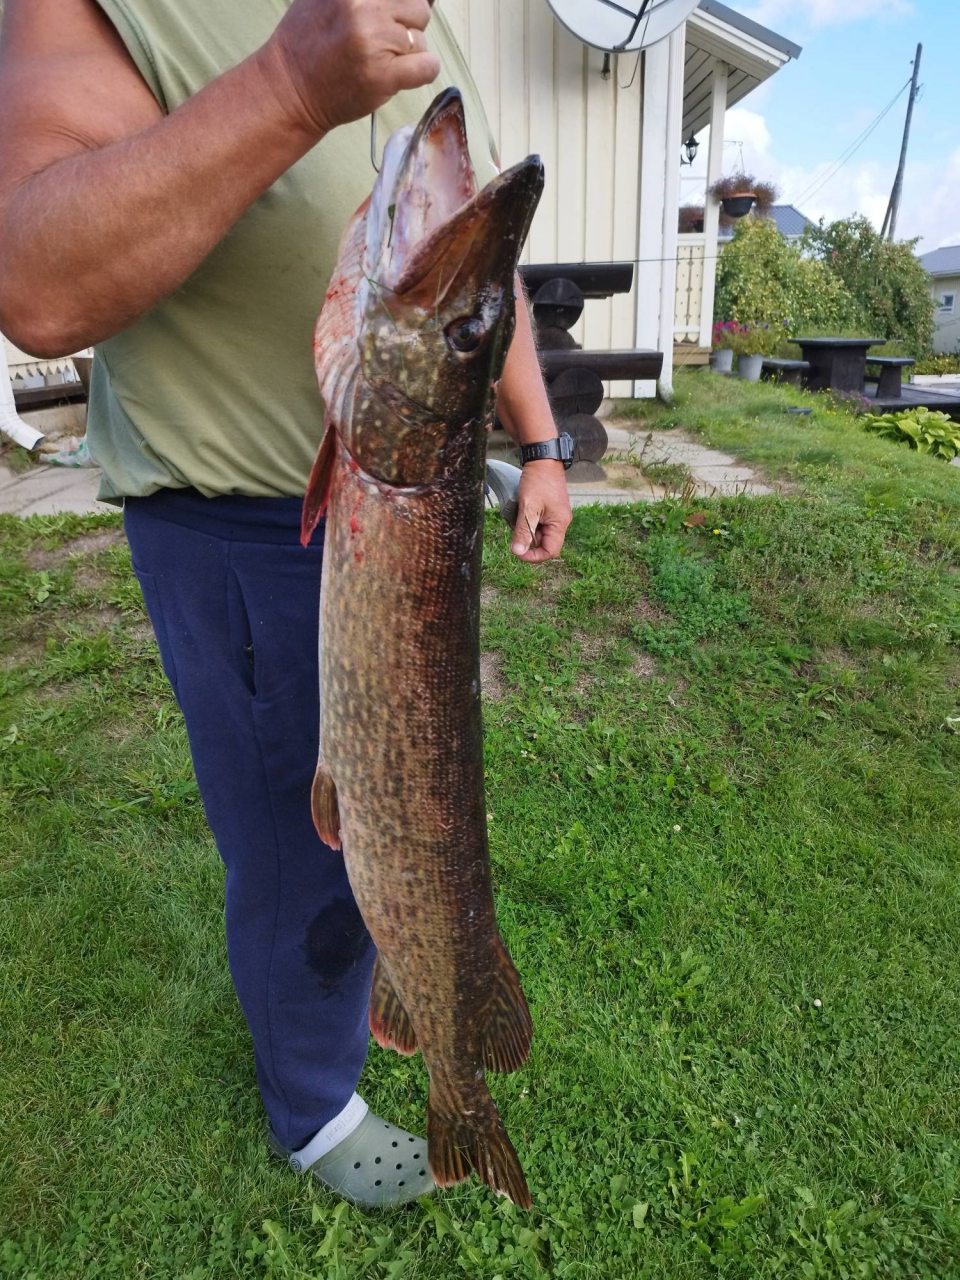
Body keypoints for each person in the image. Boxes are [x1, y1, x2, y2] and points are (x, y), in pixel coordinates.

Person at [0, 0, 572, 1210]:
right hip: (246, 516)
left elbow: (481, 282)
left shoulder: (422, 18)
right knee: (304, 855)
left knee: (415, 823)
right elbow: (35, 288)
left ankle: (437, 1052)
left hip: (403, 494)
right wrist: (296, 88)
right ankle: (312, 1108)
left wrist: (543, 436)